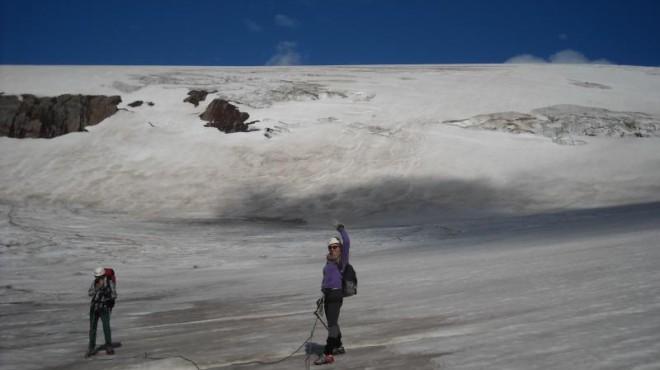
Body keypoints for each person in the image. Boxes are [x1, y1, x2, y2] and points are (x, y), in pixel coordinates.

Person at [315, 224, 350, 365]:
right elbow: (326, 279)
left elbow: (347, 242)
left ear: (340, 248)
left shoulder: (342, 260)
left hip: (336, 294)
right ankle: (338, 345)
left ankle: (328, 353)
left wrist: (341, 229)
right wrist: (323, 293)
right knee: (332, 323)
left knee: (332, 325)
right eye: (330, 247)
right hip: (328, 295)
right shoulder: (329, 261)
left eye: (335, 246)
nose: (332, 249)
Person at [86, 267, 117, 357]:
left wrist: (107, 296)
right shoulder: (94, 283)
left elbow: (114, 294)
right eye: (96, 277)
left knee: (106, 327)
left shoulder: (109, 283)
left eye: (98, 276)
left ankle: (109, 346)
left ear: (103, 275)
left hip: (104, 307)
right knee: (92, 328)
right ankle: (91, 347)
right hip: (94, 307)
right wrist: (96, 289)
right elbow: (90, 293)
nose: (97, 278)